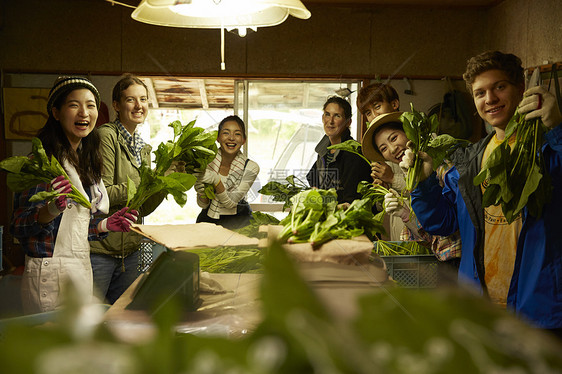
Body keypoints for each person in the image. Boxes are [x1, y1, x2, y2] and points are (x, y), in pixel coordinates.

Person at [403, 51, 562, 334]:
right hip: (480, 307)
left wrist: (559, 131)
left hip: (539, 311)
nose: (490, 99)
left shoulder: (548, 150)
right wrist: (424, 184)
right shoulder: (469, 162)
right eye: (480, 93)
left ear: (521, 89)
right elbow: (444, 223)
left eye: (499, 87)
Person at [10, 76, 138, 314]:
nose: (84, 113)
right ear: (56, 113)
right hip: (50, 274)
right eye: (74, 105)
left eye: (90, 105)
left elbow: (74, 230)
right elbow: (17, 226)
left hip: (80, 270)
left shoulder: (85, 164)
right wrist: (49, 210)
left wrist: (104, 226)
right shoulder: (41, 165)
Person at [90, 74, 164, 304]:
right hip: (101, 249)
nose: (138, 105)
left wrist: (163, 184)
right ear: (116, 105)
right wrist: (144, 184)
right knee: (90, 321)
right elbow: (103, 196)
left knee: (121, 320)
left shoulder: (144, 148)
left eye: (143, 99)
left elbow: (143, 208)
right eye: (131, 100)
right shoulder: (106, 136)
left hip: (131, 250)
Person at [195, 115, 260, 230]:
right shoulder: (206, 161)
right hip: (208, 221)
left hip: (240, 224)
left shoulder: (251, 167)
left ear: (244, 140)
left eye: (237, 134)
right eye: (226, 133)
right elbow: (203, 204)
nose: (231, 138)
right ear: (218, 138)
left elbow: (231, 203)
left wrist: (216, 180)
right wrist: (201, 193)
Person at [306, 96, 373, 204]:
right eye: (327, 114)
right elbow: (313, 178)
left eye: (337, 116)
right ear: (323, 118)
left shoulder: (354, 153)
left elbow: (352, 199)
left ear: (348, 122)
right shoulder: (324, 151)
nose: (330, 121)